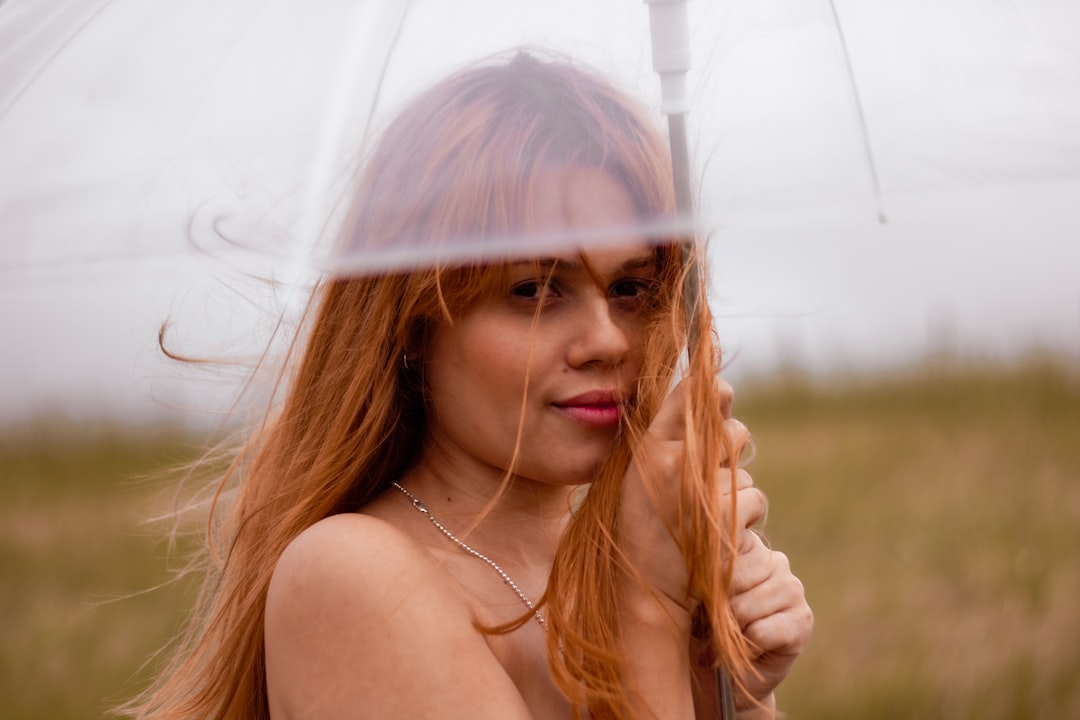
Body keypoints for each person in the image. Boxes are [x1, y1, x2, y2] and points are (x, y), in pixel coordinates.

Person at [125, 51, 812, 719]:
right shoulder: (353, 578)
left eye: (632, 286)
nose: (607, 339)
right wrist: (648, 604)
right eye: (535, 289)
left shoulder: (605, 567)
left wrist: (730, 692)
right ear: (416, 320)